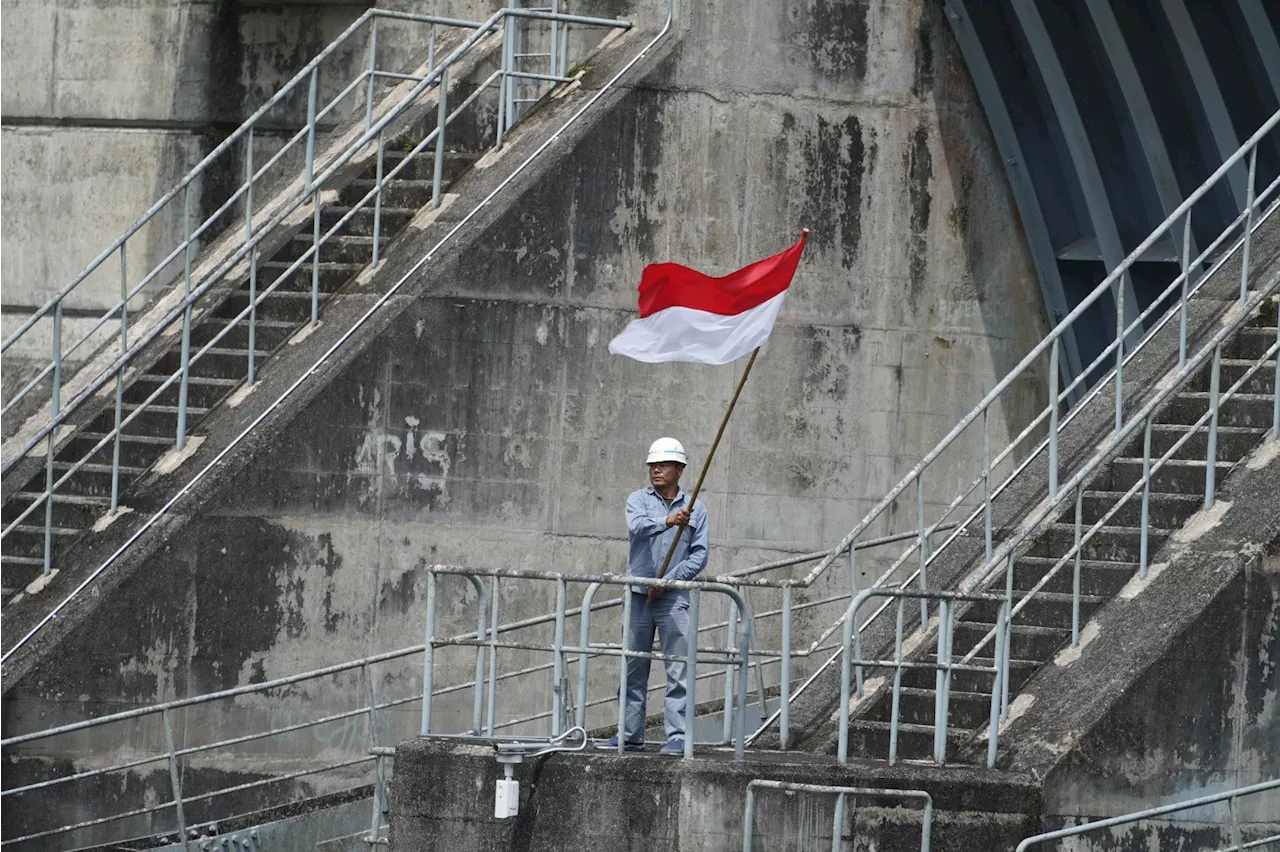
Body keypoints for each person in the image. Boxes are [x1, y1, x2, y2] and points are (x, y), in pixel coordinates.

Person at [599, 437, 709, 756]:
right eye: (653, 465)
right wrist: (668, 521)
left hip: (673, 599)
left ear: (679, 469)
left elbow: (699, 555)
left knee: (678, 667)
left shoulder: (695, 508)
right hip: (637, 596)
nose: (656, 470)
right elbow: (637, 528)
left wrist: (669, 581)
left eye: (663, 465)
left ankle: (678, 736)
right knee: (634, 666)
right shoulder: (638, 500)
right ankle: (630, 734)